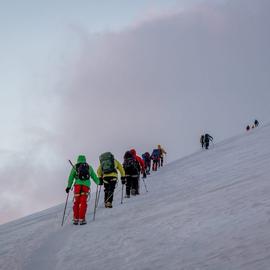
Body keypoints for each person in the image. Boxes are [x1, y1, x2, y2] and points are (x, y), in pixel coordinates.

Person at [66, 155, 100, 225]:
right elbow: (94, 176)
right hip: (86, 186)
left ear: (78, 159)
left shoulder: (75, 166)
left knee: (77, 202)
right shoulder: (89, 167)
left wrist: (68, 187)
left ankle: (76, 219)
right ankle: (82, 219)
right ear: (85, 159)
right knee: (83, 202)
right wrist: (98, 182)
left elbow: (71, 177)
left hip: (77, 186)